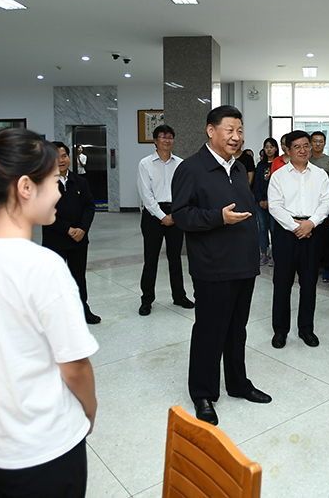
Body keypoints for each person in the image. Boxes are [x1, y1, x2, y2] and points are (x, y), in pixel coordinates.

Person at [0, 129, 98, 497]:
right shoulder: (42, 265)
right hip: (43, 445)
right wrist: (89, 412)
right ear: (26, 187)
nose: (60, 192)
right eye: (52, 182)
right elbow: (75, 366)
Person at [171, 106, 271, 426]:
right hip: (212, 265)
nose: (236, 136)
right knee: (209, 331)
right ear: (211, 131)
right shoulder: (191, 168)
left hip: (243, 263)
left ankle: (238, 383)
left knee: (237, 329)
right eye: (230, 130)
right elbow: (181, 215)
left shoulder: (239, 167)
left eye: (240, 131)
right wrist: (219, 218)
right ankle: (202, 392)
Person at [267, 130, 329, 349]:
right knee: (282, 283)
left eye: (306, 145)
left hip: (313, 232)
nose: (303, 150)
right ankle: (280, 330)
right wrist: (297, 227)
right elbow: (275, 206)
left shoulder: (320, 174)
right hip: (286, 233)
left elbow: (326, 202)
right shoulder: (279, 176)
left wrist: (310, 223)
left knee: (309, 283)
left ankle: (306, 329)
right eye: (297, 146)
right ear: (287, 149)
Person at [137, 125, 194, 315]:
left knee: (175, 258)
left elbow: (185, 191)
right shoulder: (145, 164)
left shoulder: (180, 163)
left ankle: (179, 296)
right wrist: (162, 216)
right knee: (151, 259)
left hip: (175, 213)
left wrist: (174, 215)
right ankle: (146, 300)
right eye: (163, 137)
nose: (167, 140)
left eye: (170, 137)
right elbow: (146, 195)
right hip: (153, 215)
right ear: (155, 141)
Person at [41, 142, 100, 324]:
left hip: (78, 240)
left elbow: (89, 206)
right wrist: (67, 229)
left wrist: (82, 229)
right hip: (55, 240)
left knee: (78, 277)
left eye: (64, 156)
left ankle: (82, 309)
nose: (61, 160)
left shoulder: (79, 181)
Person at [309, 131, 329, 282]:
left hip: (325, 206)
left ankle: (327, 268)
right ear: (311, 143)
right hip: (308, 207)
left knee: (326, 239)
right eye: (315, 141)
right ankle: (312, 267)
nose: (317, 144)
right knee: (311, 239)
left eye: (320, 141)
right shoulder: (306, 160)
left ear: (325, 143)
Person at [253, 138, 279, 266]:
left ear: (276, 148)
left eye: (271, 147)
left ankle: (274, 254)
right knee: (262, 227)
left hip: (274, 202)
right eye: (266, 147)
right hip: (260, 202)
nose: (269, 149)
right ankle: (263, 254)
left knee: (274, 228)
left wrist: (270, 200)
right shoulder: (260, 165)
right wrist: (261, 200)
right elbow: (256, 184)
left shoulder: (278, 164)